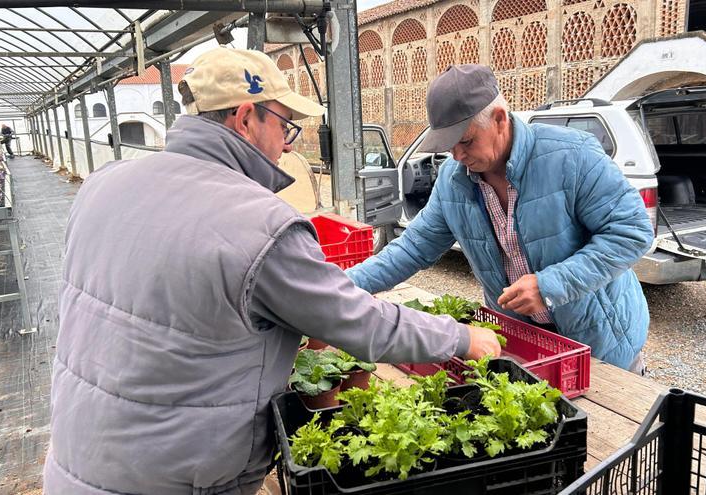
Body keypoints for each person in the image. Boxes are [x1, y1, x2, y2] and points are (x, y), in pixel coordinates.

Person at [43, 48, 501, 495]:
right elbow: (359, 322)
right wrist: (460, 338)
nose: (287, 142)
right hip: (177, 474)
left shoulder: (103, 184)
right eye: (285, 125)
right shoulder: (257, 222)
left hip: (78, 456)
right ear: (245, 118)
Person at [347, 64, 654, 373]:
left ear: (499, 119)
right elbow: (412, 248)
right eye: (447, 145)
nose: (456, 155)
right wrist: (341, 290)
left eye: (465, 141)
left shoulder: (572, 157)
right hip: (522, 344)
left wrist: (550, 285)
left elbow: (632, 232)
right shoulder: (453, 180)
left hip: (599, 346)